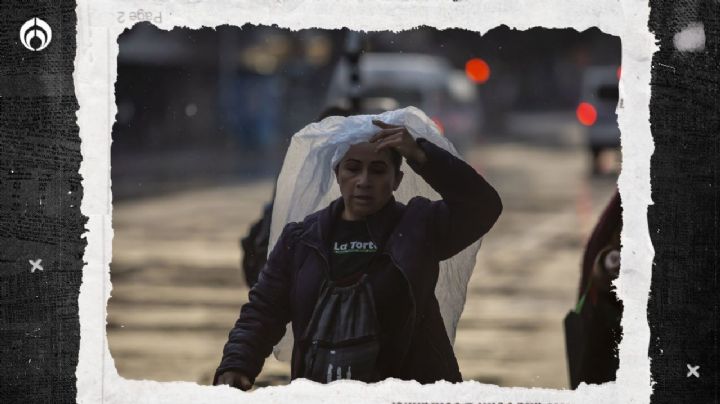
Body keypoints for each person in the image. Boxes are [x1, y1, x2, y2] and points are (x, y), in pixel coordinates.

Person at [215, 118, 502, 389]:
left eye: (378, 171)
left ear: (397, 180)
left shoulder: (419, 228)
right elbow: (263, 311)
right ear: (337, 174)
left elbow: (482, 206)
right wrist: (236, 367)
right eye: (353, 168)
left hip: (409, 396)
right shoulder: (301, 240)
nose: (364, 181)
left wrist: (420, 153)